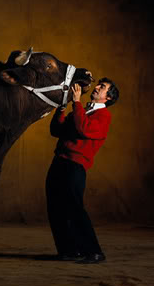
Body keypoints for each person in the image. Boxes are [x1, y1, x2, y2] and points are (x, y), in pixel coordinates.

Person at [46, 77, 119, 264]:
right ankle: (69, 251)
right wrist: (62, 107)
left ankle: (94, 252)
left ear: (108, 97)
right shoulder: (82, 111)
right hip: (59, 161)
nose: (96, 88)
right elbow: (56, 130)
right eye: (99, 85)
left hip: (75, 166)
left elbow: (83, 129)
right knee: (55, 208)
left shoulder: (103, 116)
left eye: (102, 87)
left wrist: (76, 103)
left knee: (75, 209)